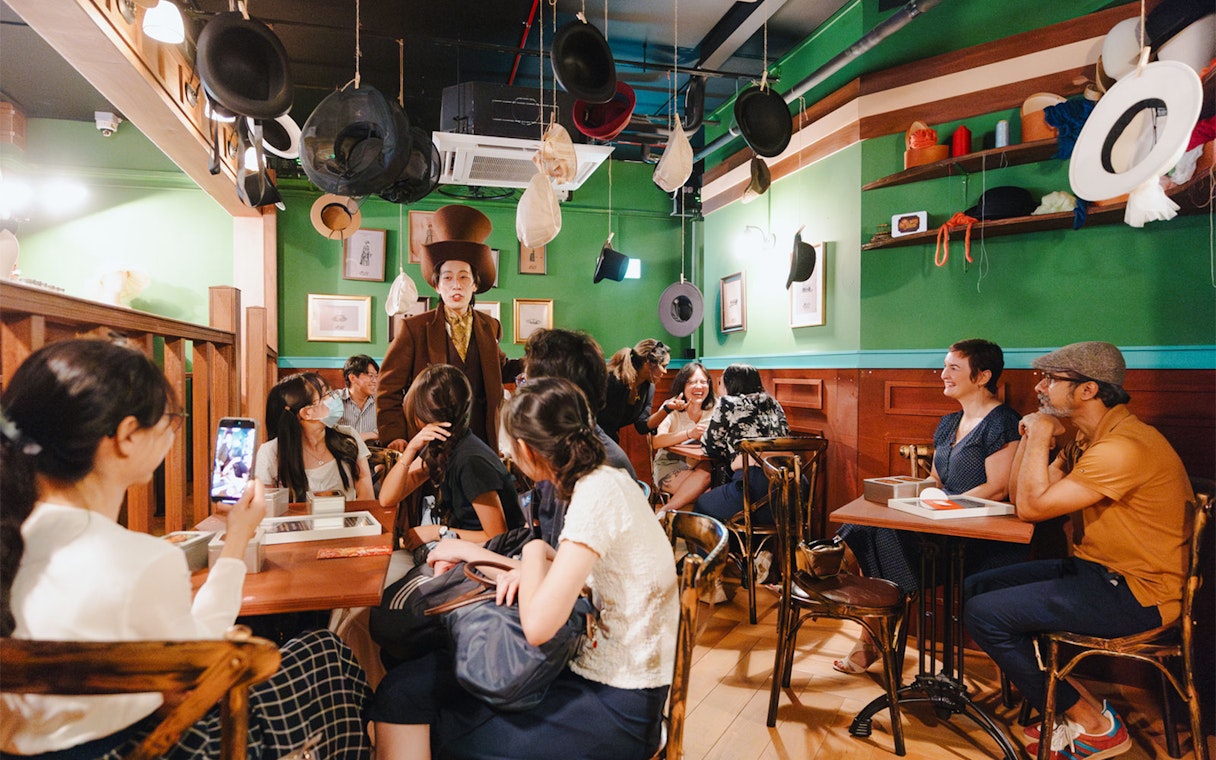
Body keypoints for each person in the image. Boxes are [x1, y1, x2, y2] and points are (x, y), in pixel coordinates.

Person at [0, 338, 371, 759]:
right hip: (148, 746)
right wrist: (236, 540)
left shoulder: (11, 538)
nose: (173, 432)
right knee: (325, 653)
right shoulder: (143, 560)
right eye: (170, 420)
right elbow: (199, 669)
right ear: (126, 437)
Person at [368, 377, 678, 759]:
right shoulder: (602, 481)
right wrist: (518, 563)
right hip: (593, 663)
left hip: (618, 697)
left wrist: (531, 552)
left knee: (427, 717)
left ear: (527, 449)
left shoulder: (596, 496)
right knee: (403, 690)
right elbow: (574, 572)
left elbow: (536, 626)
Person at [964, 342, 1193, 760]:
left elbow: (1031, 509)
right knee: (977, 588)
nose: (1040, 386)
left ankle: (1096, 725)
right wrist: (1039, 435)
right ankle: (1066, 704)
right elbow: (1022, 498)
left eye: (1052, 379)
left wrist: (1042, 433)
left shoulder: (1123, 447)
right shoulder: (1090, 440)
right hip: (1099, 572)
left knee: (985, 614)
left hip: (1140, 592)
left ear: (1088, 390)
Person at [835, 338, 1023, 674]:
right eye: (945, 366)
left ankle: (868, 627)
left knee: (885, 537)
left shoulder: (1002, 421)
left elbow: (998, 488)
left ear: (982, 377)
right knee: (865, 526)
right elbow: (935, 480)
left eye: (953, 368)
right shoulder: (949, 423)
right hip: (935, 526)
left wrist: (943, 507)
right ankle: (851, 598)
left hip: (976, 536)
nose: (943, 375)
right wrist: (914, 499)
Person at [376, 204, 523, 454]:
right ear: (437, 286)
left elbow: (499, 369)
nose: (456, 285)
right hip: (432, 439)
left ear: (475, 284)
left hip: (481, 438)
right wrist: (395, 434)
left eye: (464, 277)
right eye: (447, 277)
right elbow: (388, 388)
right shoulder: (414, 328)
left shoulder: (490, 326)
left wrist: (537, 362)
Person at [378, 363, 522, 547]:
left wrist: (436, 532)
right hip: (465, 552)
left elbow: (497, 536)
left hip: (489, 559)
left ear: (424, 411)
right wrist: (411, 449)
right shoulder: (443, 446)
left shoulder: (471, 460)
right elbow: (387, 498)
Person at [519, 328, 638, 544]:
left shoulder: (599, 469)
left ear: (554, 395)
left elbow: (563, 568)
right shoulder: (564, 448)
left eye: (526, 384)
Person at [692, 363, 790, 524]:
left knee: (703, 505)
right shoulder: (774, 404)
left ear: (729, 384)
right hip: (790, 490)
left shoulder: (728, 403)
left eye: (721, 383)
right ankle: (758, 549)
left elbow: (710, 447)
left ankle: (723, 550)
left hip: (753, 488)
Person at [255, 371, 374, 501]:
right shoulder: (271, 452)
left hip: (347, 519)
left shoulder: (348, 436)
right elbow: (266, 508)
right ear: (307, 413)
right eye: (326, 395)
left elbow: (366, 495)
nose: (334, 397)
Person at [651, 361, 716, 514]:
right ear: (683, 386)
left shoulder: (716, 407)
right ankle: (667, 515)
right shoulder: (671, 407)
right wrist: (689, 434)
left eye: (703, 382)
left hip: (706, 467)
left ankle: (667, 516)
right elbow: (656, 441)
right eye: (692, 382)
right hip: (670, 465)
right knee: (708, 491)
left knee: (710, 479)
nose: (699, 387)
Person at [598, 338, 671, 444]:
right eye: (663, 366)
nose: (665, 371)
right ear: (648, 363)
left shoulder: (648, 387)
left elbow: (642, 426)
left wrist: (668, 409)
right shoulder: (613, 380)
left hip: (608, 438)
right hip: (589, 437)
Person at [338, 353, 381, 442]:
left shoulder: (381, 400)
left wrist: (370, 435)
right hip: (342, 453)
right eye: (371, 376)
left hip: (374, 453)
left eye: (376, 376)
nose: (375, 381)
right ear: (352, 378)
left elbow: (390, 428)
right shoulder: (335, 400)